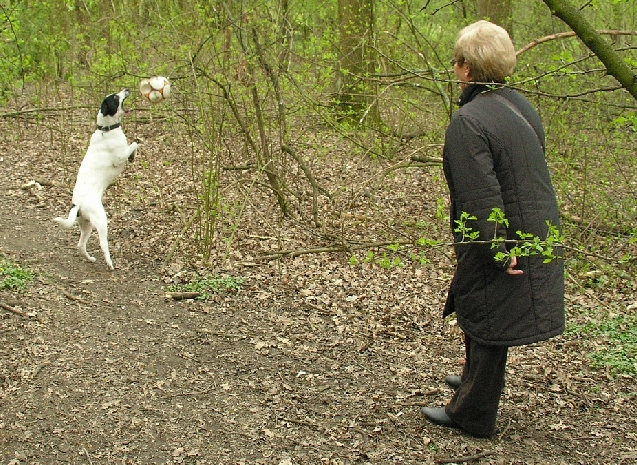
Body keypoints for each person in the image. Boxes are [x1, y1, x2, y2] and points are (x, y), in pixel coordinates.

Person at [420, 20, 565, 438]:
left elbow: (478, 195)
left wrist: (496, 248)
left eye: (457, 61)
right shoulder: (519, 105)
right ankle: (471, 384)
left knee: (487, 318)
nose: (455, 67)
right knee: (480, 311)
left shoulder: (470, 121)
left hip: (505, 236)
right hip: (531, 231)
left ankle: (472, 413)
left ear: (466, 68)